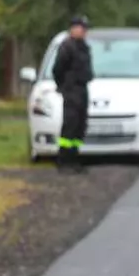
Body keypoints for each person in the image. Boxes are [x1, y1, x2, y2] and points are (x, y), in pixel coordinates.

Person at [51, 15, 94, 173]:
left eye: (85, 28)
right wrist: (63, 86)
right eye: (81, 28)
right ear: (73, 28)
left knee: (80, 126)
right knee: (70, 125)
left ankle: (75, 159)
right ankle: (64, 160)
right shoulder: (66, 47)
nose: (83, 31)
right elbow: (57, 69)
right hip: (71, 90)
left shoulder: (84, 47)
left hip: (82, 89)